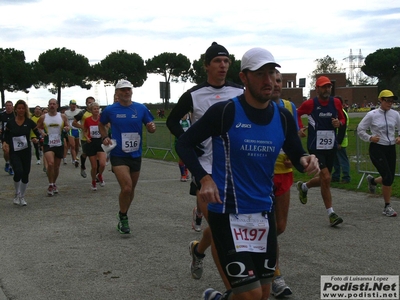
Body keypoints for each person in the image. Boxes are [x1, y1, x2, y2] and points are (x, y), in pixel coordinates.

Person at [176, 47, 319, 300]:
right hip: (228, 211)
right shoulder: (226, 112)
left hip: (263, 212)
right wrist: (204, 177)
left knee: (262, 294)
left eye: (271, 73)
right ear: (244, 78)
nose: (268, 80)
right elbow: (184, 143)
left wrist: (307, 160)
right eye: (260, 74)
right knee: (250, 295)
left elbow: (297, 155)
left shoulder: (283, 117)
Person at [166, 42, 243, 287]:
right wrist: (189, 141)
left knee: (230, 225)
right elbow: (171, 121)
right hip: (206, 166)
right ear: (207, 65)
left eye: (226, 61)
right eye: (218, 61)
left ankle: (198, 250)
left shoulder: (239, 91)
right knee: (222, 227)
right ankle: (233, 288)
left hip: (234, 165)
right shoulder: (194, 94)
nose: (223, 65)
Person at [99, 79, 156, 234]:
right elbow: (101, 124)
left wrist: (151, 127)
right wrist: (104, 137)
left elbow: (151, 127)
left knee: (131, 190)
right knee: (127, 187)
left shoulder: (140, 108)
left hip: (135, 154)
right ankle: (123, 217)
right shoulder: (110, 110)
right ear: (117, 93)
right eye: (122, 90)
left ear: (132, 91)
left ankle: (123, 213)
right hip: (118, 154)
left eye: (128, 89)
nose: (126, 92)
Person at [296, 75, 346, 227]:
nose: (327, 89)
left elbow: (343, 119)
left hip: (330, 146)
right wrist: (299, 128)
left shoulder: (335, 102)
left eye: (329, 86)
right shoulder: (310, 104)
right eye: (323, 86)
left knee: (326, 177)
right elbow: (296, 113)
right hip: (315, 146)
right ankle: (331, 214)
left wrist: (339, 123)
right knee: (325, 176)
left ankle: (304, 187)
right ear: (317, 88)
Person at [270, 70, 297, 297]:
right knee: (267, 227)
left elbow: (294, 137)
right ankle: (275, 274)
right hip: (262, 174)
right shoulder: (256, 107)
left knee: (279, 226)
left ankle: (264, 258)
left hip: (284, 172)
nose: (276, 84)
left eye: (279, 81)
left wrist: (295, 154)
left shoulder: (289, 107)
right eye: (272, 80)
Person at [357, 89, 400, 217]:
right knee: (387, 177)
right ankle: (387, 206)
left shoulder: (395, 114)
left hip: (390, 147)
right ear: (380, 100)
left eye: (392, 101)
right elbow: (360, 129)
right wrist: (370, 138)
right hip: (377, 148)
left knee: (390, 177)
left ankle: (373, 181)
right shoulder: (373, 114)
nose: (390, 103)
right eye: (387, 100)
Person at [4, 100, 40, 206]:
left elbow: (37, 133)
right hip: (14, 151)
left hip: (26, 151)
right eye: (19, 108)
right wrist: (5, 143)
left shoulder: (29, 122)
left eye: (22, 108)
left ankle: (22, 196)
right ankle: (17, 193)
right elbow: (5, 136)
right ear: (16, 109)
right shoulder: (10, 123)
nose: (21, 110)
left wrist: (36, 138)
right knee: (18, 171)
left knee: (25, 173)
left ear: (25, 110)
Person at [36, 98, 70, 196]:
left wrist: (66, 128)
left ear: (57, 105)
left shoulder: (62, 116)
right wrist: (41, 132)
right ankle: (50, 184)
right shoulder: (43, 117)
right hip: (48, 143)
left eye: (54, 104)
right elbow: (37, 127)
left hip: (59, 143)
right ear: (48, 105)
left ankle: (54, 183)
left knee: (56, 166)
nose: (52, 105)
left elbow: (67, 126)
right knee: (50, 163)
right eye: (50, 104)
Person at [83, 102, 106, 191]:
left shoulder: (102, 119)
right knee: (94, 166)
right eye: (94, 109)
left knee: (103, 164)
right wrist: (86, 137)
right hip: (91, 142)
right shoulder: (88, 120)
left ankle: (99, 175)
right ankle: (93, 181)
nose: (96, 110)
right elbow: (84, 131)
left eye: (97, 109)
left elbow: (107, 127)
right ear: (91, 110)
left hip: (100, 142)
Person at [72, 96, 95, 178]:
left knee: (96, 156)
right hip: (85, 137)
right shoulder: (82, 113)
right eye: (89, 102)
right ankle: (83, 166)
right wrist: (82, 126)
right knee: (85, 153)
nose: (91, 104)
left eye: (92, 102)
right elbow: (74, 123)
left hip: (96, 137)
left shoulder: (97, 112)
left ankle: (95, 173)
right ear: (86, 103)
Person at [331, 96, 351, 183]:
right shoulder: (338, 113)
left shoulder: (342, 114)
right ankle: (336, 176)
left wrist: (339, 142)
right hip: (336, 141)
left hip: (340, 141)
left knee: (343, 160)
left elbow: (342, 129)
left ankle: (346, 177)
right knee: (336, 160)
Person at [64, 99, 82, 168]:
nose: (73, 106)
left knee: (77, 146)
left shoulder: (79, 111)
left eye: (74, 104)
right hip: (70, 130)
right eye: (72, 104)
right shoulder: (66, 112)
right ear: (70, 105)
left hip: (78, 129)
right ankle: (75, 160)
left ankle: (74, 157)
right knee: (72, 145)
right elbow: (65, 121)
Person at [1, 100, 15, 175]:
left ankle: (11, 166)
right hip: (4, 135)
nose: (8, 107)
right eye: (7, 106)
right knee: (6, 151)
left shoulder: (15, 115)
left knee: (12, 152)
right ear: (5, 107)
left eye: (10, 105)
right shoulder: (2, 115)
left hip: (14, 136)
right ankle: (7, 162)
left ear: (12, 107)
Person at [177, 114, 190, 182]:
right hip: (180, 141)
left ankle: (186, 171)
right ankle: (183, 174)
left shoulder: (189, 121)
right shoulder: (178, 122)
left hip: (188, 141)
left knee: (188, 158)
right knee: (181, 158)